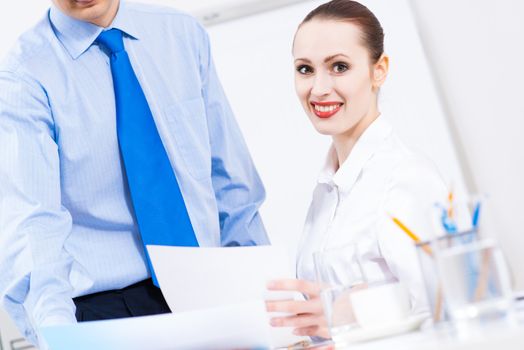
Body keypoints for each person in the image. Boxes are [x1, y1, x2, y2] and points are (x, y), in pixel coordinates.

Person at [0, 0, 269, 347]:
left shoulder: (180, 34)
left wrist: (265, 294)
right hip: (107, 313)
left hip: (211, 287)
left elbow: (229, 181)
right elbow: (34, 226)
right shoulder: (23, 76)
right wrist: (59, 337)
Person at [266, 0, 447, 339]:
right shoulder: (327, 190)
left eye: (339, 66)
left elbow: (445, 307)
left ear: (378, 70)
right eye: (305, 69)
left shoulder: (406, 179)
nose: (318, 88)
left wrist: (352, 313)